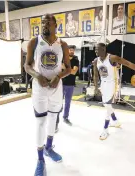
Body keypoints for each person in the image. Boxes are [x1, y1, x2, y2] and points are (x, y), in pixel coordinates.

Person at [24, 13, 71, 176]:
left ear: (55, 25)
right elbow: (27, 65)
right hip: (39, 87)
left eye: (47, 23)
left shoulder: (62, 44)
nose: (44, 25)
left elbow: (69, 68)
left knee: (53, 119)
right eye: (42, 22)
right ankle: (40, 160)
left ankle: (49, 148)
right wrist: (37, 76)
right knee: (40, 122)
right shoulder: (34, 42)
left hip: (56, 87)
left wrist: (58, 77)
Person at [93, 43, 135, 140]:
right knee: (106, 105)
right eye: (95, 49)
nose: (96, 51)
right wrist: (96, 87)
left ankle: (105, 129)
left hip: (113, 84)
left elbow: (128, 63)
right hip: (103, 84)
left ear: (104, 49)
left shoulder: (112, 58)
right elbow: (96, 75)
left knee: (108, 105)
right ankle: (115, 121)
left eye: (98, 49)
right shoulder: (96, 60)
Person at [55, 45, 79, 131]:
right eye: (70, 50)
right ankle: (55, 122)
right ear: (67, 50)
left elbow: (74, 72)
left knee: (68, 103)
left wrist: (66, 68)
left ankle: (65, 118)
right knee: (58, 103)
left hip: (70, 84)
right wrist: (69, 69)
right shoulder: (62, 58)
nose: (72, 51)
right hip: (61, 83)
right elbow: (67, 69)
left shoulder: (76, 59)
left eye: (73, 50)